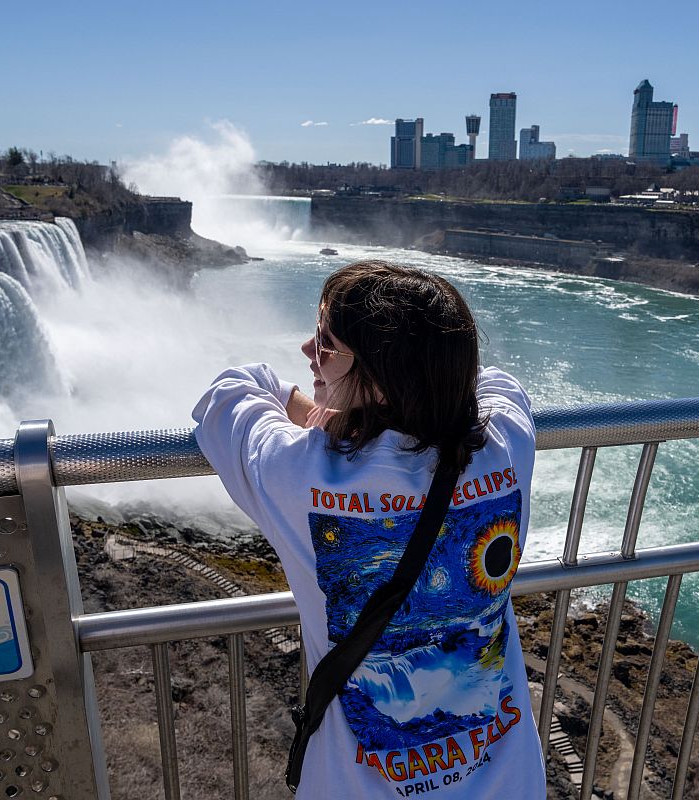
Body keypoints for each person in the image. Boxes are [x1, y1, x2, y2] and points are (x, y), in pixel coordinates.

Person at [192, 260, 545, 798]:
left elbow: (231, 392)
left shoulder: (301, 473)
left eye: (326, 343)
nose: (310, 352)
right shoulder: (505, 443)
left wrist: (326, 417)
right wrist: (369, 409)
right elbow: (493, 383)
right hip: (508, 783)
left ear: (380, 376)